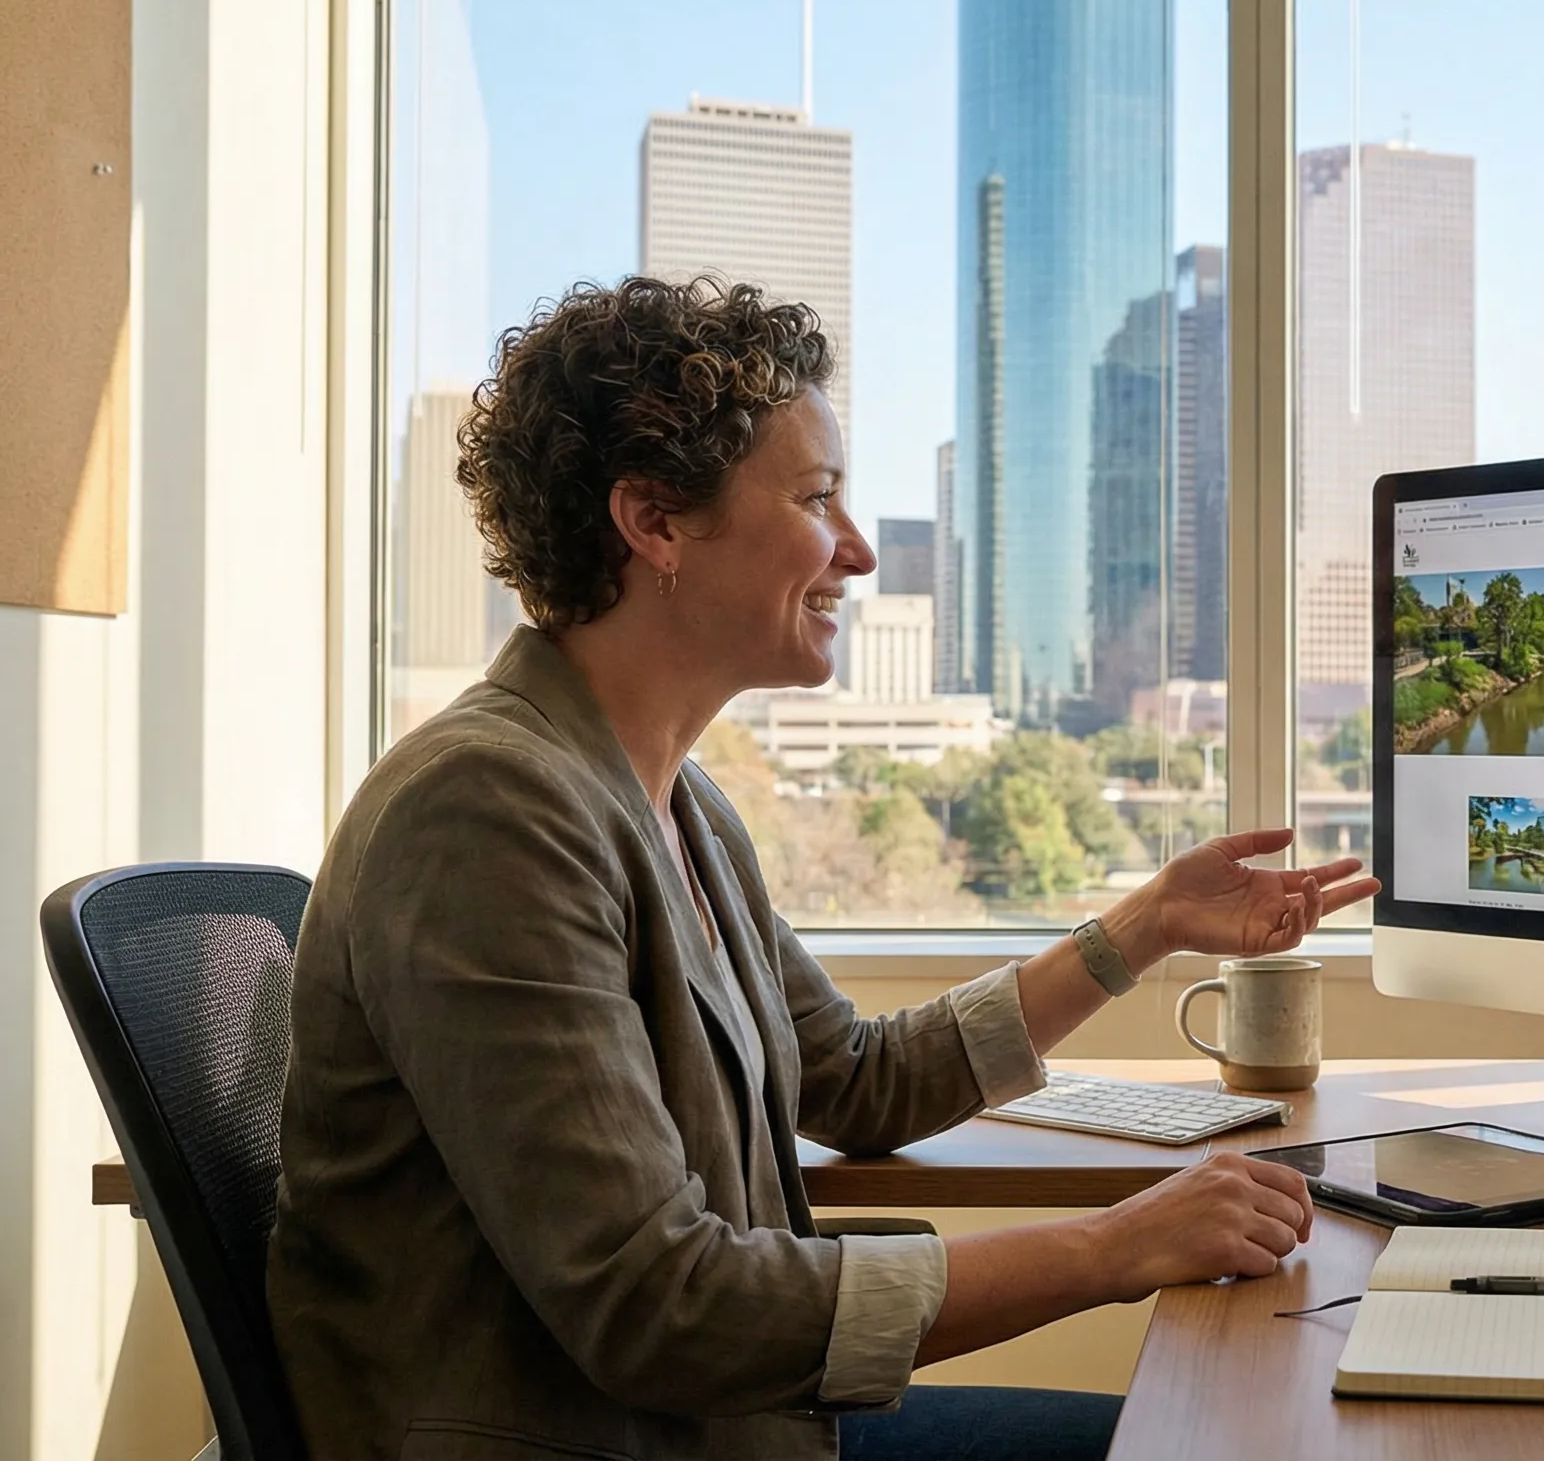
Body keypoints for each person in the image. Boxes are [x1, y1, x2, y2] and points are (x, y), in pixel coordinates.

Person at [267, 275, 1380, 1460]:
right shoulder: (488, 814)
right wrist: (1111, 1250)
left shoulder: (674, 801)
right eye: (816, 499)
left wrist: (1144, 927)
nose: (856, 549)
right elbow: (660, 1310)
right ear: (653, 522)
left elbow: (852, 1083)